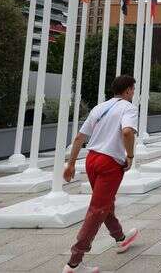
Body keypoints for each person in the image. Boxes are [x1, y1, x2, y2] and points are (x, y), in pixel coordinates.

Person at [62, 75, 140, 273]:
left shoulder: (99, 108)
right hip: (109, 162)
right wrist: (130, 155)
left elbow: (80, 137)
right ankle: (74, 262)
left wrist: (71, 164)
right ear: (129, 90)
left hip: (91, 159)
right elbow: (127, 132)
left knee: (104, 204)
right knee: (98, 209)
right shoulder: (128, 108)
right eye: (132, 89)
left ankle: (120, 238)